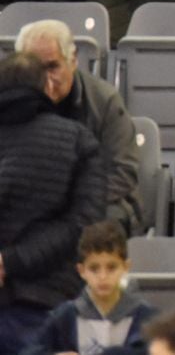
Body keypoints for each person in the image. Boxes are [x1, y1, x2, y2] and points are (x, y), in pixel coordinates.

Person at [0, 50, 104, 350]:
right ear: (46, 86)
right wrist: (12, 262)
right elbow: (84, 225)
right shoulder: (78, 140)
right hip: (46, 302)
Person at [12, 20, 142, 236]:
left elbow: (123, 173)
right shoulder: (12, 103)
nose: (45, 78)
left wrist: (70, 201)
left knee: (99, 225)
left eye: (53, 66)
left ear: (72, 61)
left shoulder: (105, 101)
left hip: (99, 201)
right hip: (35, 202)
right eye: (35, 68)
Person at [23, 221, 154, 355]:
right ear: (81, 271)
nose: (103, 277)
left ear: (126, 267)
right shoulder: (65, 316)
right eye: (94, 269)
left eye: (111, 267)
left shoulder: (146, 318)